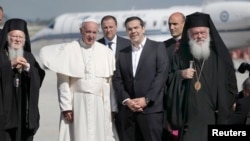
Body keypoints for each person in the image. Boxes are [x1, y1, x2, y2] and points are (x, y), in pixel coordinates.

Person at [39, 18, 117, 141]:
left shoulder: (105, 52)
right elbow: (63, 82)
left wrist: (112, 107)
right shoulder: (69, 49)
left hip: (99, 104)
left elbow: (108, 84)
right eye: (88, 32)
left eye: (94, 33)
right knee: (78, 136)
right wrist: (66, 107)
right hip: (77, 103)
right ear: (81, 31)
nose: (91, 36)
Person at [167, 12, 238, 141]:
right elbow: (169, 77)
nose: (199, 36)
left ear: (208, 33)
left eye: (202, 33)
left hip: (214, 116)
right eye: (195, 33)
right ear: (189, 34)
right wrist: (180, 74)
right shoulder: (180, 56)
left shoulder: (220, 57)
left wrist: (224, 105)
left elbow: (231, 85)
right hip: (189, 117)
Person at [112, 16, 169, 141]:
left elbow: (161, 75)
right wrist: (127, 100)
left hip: (151, 111)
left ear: (143, 28)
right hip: (128, 112)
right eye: (129, 29)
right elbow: (117, 79)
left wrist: (147, 99)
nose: (133, 31)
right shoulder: (122, 53)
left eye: (136, 27)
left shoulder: (158, 47)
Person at [0, 18, 45, 141]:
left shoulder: (28, 56)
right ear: (7, 37)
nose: (17, 40)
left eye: (20, 37)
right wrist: (9, 65)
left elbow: (39, 75)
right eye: (14, 36)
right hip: (4, 113)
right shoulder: (1, 54)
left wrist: (28, 68)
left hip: (23, 111)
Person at [98, 15, 131, 141]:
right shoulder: (97, 45)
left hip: (123, 95)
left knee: (124, 132)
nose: (108, 30)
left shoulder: (127, 44)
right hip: (103, 96)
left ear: (116, 27)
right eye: (105, 27)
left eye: (111, 27)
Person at [162, 12, 185, 141]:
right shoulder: (163, 46)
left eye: (175, 24)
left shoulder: (192, 45)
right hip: (168, 100)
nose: (171, 27)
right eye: (169, 24)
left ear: (184, 24)